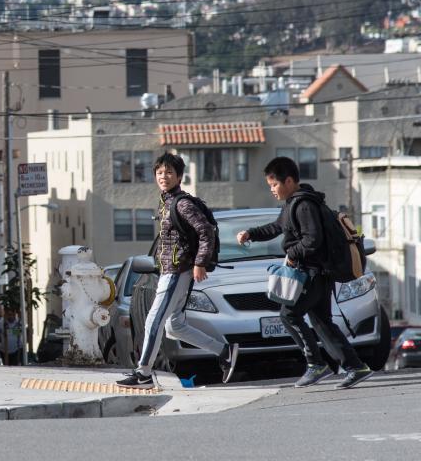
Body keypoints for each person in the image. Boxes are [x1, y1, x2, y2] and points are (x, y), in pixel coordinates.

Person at [236, 156, 372, 389]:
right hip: (316, 272)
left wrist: (292, 254)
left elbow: (313, 240)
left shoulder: (304, 205)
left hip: (313, 273)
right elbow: (277, 227)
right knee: (321, 322)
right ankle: (354, 366)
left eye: (274, 185)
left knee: (289, 315)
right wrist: (251, 233)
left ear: (288, 181)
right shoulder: (294, 203)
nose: (273, 190)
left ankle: (315, 364)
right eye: (270, 186)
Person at [117, 152, 239, 389]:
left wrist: (200, 263)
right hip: (171, 270)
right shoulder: (166, 202)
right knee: (175, 326)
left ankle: (143, 373)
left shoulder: (181, 203)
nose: (164, 176)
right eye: (160, 172)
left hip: (177, 271)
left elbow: (206, 231)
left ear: (180, 176)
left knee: (154, 319)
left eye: (169, 172)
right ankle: (225, 351)